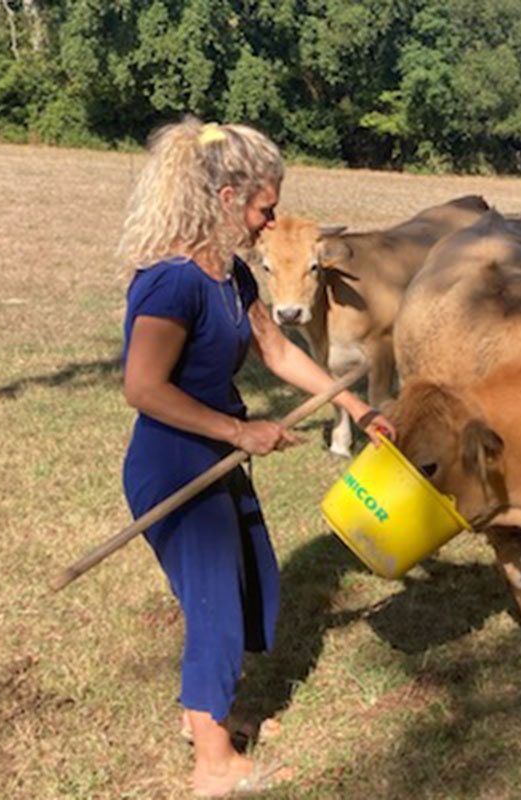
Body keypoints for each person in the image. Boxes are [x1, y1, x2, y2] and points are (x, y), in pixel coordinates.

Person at [117, 117, 392, 797]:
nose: (270, 221)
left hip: (215, 456)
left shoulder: (231, 274)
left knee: (247, 586)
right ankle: (214, 764)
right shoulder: (172, 283)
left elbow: (274, 352)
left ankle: (204, 715)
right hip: (177, 466)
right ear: (227, 196)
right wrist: (239, 432)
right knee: (212, 608)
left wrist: (356, 410)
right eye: (265, 207)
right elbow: (142, 387)